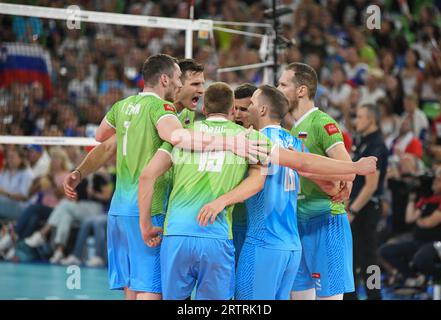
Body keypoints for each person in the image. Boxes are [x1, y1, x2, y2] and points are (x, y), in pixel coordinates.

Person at [138, 82, 377, 300]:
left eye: (251, 104)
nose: (245, 110)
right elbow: (306, 166)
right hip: (291, 247)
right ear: (231, 109)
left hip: (259, 243)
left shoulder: (248, 139)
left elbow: (150, 172)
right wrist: (346, 174)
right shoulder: (291, 141)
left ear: (262, 110)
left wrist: (352, 169)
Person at [63, 55, 268, 301]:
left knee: (134, 287)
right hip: (152, 209)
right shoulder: (167, 116)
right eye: (191, 83)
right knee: (151, 290)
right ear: (170, 81)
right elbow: (116, 148)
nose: (198, 90)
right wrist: (233, 143)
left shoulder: (157, 113)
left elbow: (105, 142)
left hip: (122, 210)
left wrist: (78, 173)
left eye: (202, 85)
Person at [278, 62, 355, 300]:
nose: (277, 89)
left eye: (283, 84)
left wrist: (338, 185)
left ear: (301, 90)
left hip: (325, 221)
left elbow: (347, 169)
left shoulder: (322, 122)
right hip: (297, 224)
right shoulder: (291, 131)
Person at [345, 104, 389, 300]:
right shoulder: (363, 142)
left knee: (369, 259)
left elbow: (371, 185)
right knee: (352, 257)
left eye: (360, 117)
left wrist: (352, 211)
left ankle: (374, 296)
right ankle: (351, 296)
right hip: (357, 206)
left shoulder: (376, 145)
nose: (356, 121)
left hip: (367, 209)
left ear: (372, 119)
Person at [379, 167, 441, 287]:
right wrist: (412, 198)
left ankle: (437, 281)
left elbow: (429, 222)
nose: (434, 182)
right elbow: (409, 218)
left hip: (438, 242)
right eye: (435, 179)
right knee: (385, 251)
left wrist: (419, 217)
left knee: (421, 259)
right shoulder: (427, 198)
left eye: (439, 180)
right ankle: (415, 278)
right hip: (418, 241)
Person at [230, 83, 257, 263]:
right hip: (232, 224)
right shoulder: (226, 139)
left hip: (257, 227)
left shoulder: (269, 139)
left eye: (244, 109)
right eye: (235, 109)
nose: (238, 114)